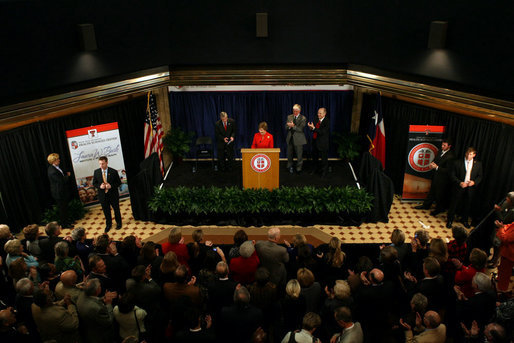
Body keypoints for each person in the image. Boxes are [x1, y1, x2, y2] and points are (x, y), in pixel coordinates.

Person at [415, 138, 455, 215]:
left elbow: (448, 170)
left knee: (439, 195)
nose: (442, 146)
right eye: (442, 144)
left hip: (443, 179)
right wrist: (431, 164)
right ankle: (426, 205)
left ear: (449, 146)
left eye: (444, 145)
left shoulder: (451, 156)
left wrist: (436, 167)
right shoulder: (440, 151)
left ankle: (438, 209)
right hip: (435, 176)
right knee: (432, 192)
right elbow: (436, 161)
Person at [447, 147, 483, 228]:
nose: (468, 156)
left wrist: (474, 182)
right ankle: (450, 220)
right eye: (467, 153)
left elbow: (480, 176)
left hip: (470, 188)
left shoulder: (478, 164)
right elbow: (452, 175)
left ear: (474, 155)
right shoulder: (457, 162)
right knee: (454, 204)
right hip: (459, 187)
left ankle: (464, 220)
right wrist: (459, 182)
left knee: (467, 205)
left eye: (470, 154)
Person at [93, 156, 122, 232]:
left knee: (116, 209)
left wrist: (111, 186)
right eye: (100, 164)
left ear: (107, 162)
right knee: (106, 211)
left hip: (113, 195)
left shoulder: (113, 171)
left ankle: (119, 223)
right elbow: (94, 183)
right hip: (103, 196)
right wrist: (99, 186)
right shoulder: (96, 172)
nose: (101, 166)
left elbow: (118, 182)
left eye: (103, 163)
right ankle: (108, 224)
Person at [47, 153, 73, 228]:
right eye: (57, 159)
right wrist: (67, 176)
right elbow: (61, 180)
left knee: (65, 208)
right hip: (59, 193)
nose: (59, 160)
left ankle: (67, 221)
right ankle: (64, 224)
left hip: (62, 191)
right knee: (62, 209)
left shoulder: (56, 167)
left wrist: (65, 173)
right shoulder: (52, 171)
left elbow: (61, 174)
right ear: (53, 161)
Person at [308, 107, 330, 177]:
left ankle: (324, 172)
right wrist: (311, 128)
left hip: (323, 143)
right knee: (314, 158)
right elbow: (313, 130)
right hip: (315, 142)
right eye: (318, 113)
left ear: (324, 114)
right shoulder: (316, 119)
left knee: (324, 159)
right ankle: (314, 170)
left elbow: (322, 132)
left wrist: (314, 128)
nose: (318, 114)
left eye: (320, 113)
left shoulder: (327, 121)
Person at [285, 104, 307, 174]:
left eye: (296, 111)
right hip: (290, 138)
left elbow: (300, 129)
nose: (295, 112)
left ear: (299, 111)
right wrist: (288, 127)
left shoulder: (303, 118)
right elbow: (286, 127)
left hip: (299, 139)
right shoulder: (289, 117)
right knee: (289, 154)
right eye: (294, 111)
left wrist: (293, 126)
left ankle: (299, 168)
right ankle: (289, 166)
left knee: (299, 155)